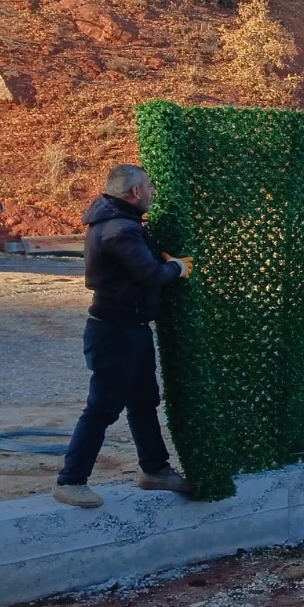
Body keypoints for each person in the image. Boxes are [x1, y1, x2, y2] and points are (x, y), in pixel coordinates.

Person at [55, 165, 193, 508]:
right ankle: (70, 481)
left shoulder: (122, 224)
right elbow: (149, 275)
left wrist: (161, 255)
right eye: (149, 187)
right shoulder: (119, 230)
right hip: (113, 332)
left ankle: (155, 470)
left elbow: (138, 264)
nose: (153, 193)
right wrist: (176, 267)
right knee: (103, 407)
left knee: (144, 401)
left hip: (131, 328)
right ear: (134, 193)